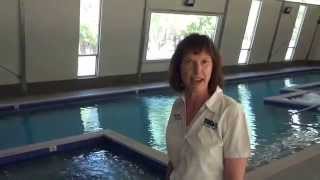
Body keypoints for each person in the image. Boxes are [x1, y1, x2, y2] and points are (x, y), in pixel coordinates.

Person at [166, 33, 250, 180]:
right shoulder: (178, 106)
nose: (198, 70)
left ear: (214, 67)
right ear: (179, 68)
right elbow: (175, 162)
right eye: (189, 62)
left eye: (204, 61)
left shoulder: (230, 111)